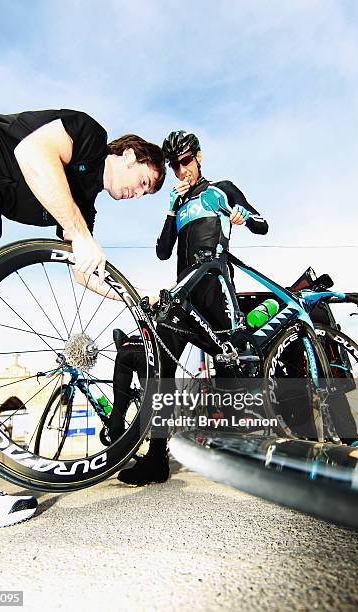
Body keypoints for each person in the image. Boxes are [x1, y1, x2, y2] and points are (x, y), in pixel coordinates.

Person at [0, 108, 165, 531]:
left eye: (147, 194)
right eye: (143, 181)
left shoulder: (82, 204)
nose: (138, 194)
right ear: (128, 154)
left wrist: (135, 298)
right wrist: (81, 235)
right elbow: (33, 153)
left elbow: (81, 269)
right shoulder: (88, 134)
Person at [117, 130, 268, 486]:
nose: (180, 170)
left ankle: (239, 452)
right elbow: (162, 251)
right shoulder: (179, 202)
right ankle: (156, 460)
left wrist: (243, 217)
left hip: (215, 287)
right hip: (184, 293)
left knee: (229, 365)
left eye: (184, 162)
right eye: (173, 166)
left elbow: (263, 225)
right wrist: (171, 209)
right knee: (161, 367)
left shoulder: (221, 190)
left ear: (198, 156)